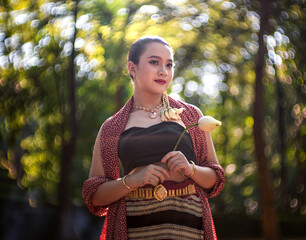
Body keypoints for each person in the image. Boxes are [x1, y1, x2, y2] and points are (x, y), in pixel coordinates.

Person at [82, 35, 225, 240]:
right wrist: (132, 180)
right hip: (136, 227)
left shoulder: (192, 116)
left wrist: (191, 168)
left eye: (169, 65)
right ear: (132, 68)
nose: (163, 71)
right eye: (154, 62)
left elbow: (215, 178)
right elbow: (95, 195)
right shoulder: (112, 127)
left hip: (189, 227)